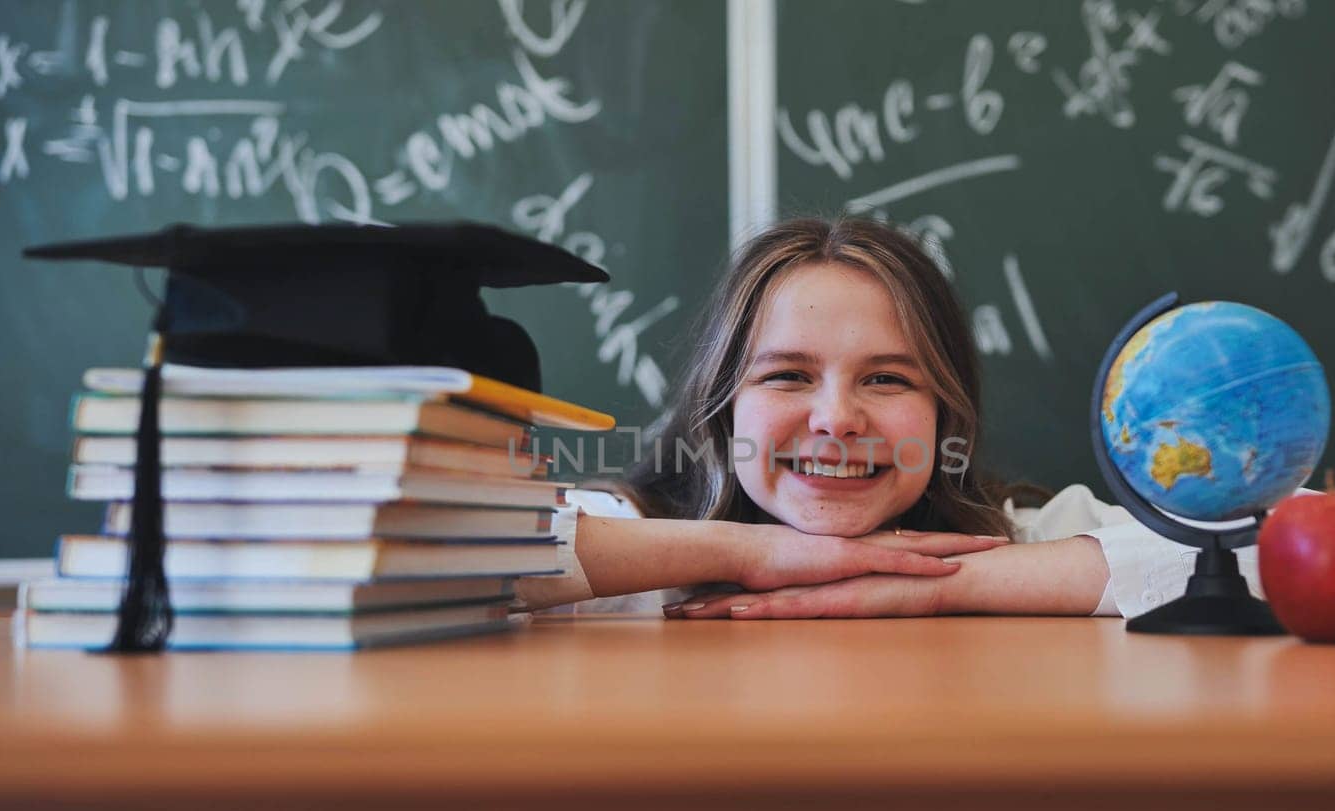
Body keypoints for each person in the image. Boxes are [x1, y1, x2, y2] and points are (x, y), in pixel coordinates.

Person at [514, 216, 1266, 619]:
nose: (837, 418)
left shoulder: (1016, 536)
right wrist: (748, 553)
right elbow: (418, 558)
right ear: (723, 410)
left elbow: (1286, 541)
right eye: (787, 376)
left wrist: (942, 585)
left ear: (944, 416)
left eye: (886, 378)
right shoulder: (631, 534)